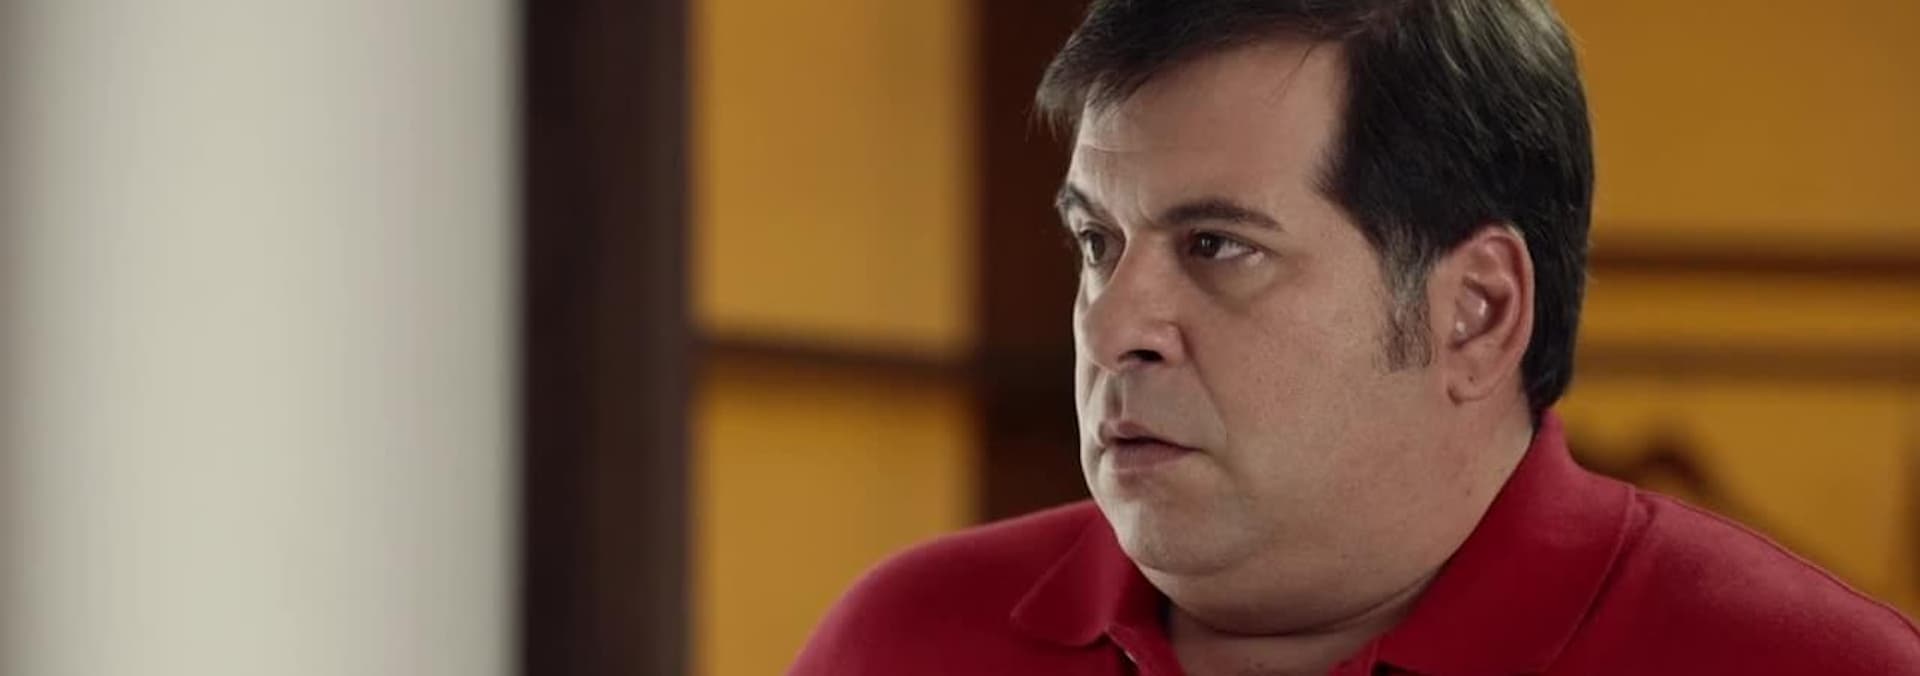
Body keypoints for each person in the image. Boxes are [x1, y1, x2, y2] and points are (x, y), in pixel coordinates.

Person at [792, 1, 1920, 673]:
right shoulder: (901, 643)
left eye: (1217, 246)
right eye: (1098, 242)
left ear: (1476, 313)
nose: (1114, 324)